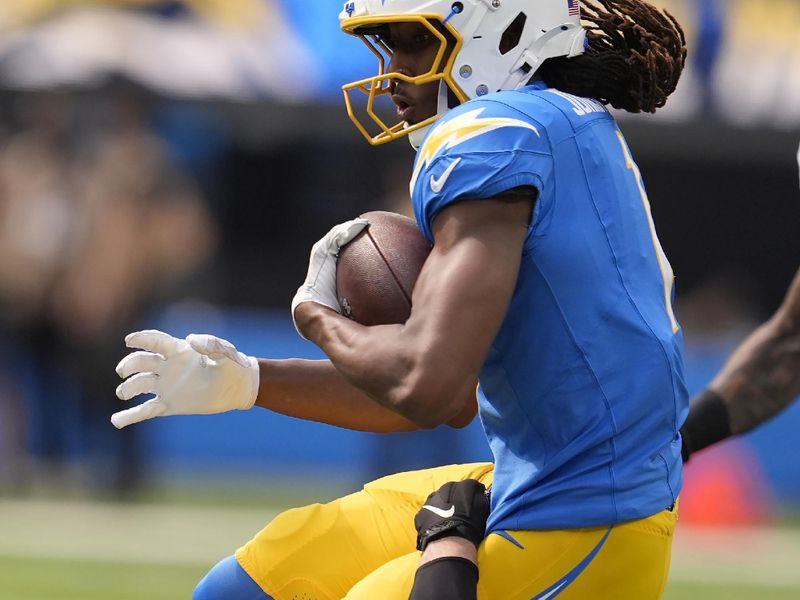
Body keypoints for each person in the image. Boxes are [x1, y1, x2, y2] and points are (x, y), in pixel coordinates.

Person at [109, 1, 791, 599]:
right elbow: (452, 390)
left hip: (585, 522)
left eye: (414, 42)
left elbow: (424, 383)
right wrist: (249, 381)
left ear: (501, 31)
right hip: (541, 482)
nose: (393, 71)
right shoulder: (547, 126)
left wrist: (315, 315)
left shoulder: (493, 138)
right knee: (247, 583)